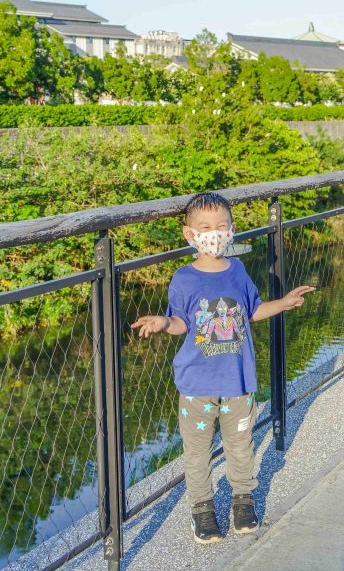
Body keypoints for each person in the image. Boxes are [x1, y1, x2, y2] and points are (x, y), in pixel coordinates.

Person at [130, 192, 315, 544]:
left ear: (231, 230)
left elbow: (253, 310)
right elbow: (181, 322)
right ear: (190, 234)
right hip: (197, 384)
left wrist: (286, 302)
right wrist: (162, 323)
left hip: (238, 380)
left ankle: (242, 502)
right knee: (197, 452)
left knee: (241, 446)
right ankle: (202, 510)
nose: (213, 234)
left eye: (220, 227)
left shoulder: (238, 270)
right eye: (205, 228)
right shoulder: (183, 278)